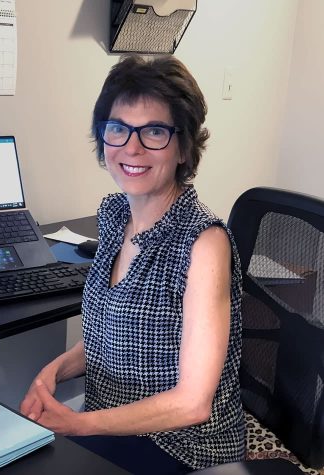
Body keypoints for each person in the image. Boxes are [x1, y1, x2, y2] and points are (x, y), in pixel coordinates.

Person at [20, 55, 245, 474]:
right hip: (109, 426)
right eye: (118, 129)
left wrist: (79, 424)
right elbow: (107, 340)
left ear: (183, 147)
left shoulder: (204, 244)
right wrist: (52, 372)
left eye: (154, 131)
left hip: (183, 448)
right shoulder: (113, 215)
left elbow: (193, 403)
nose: (132, 147)